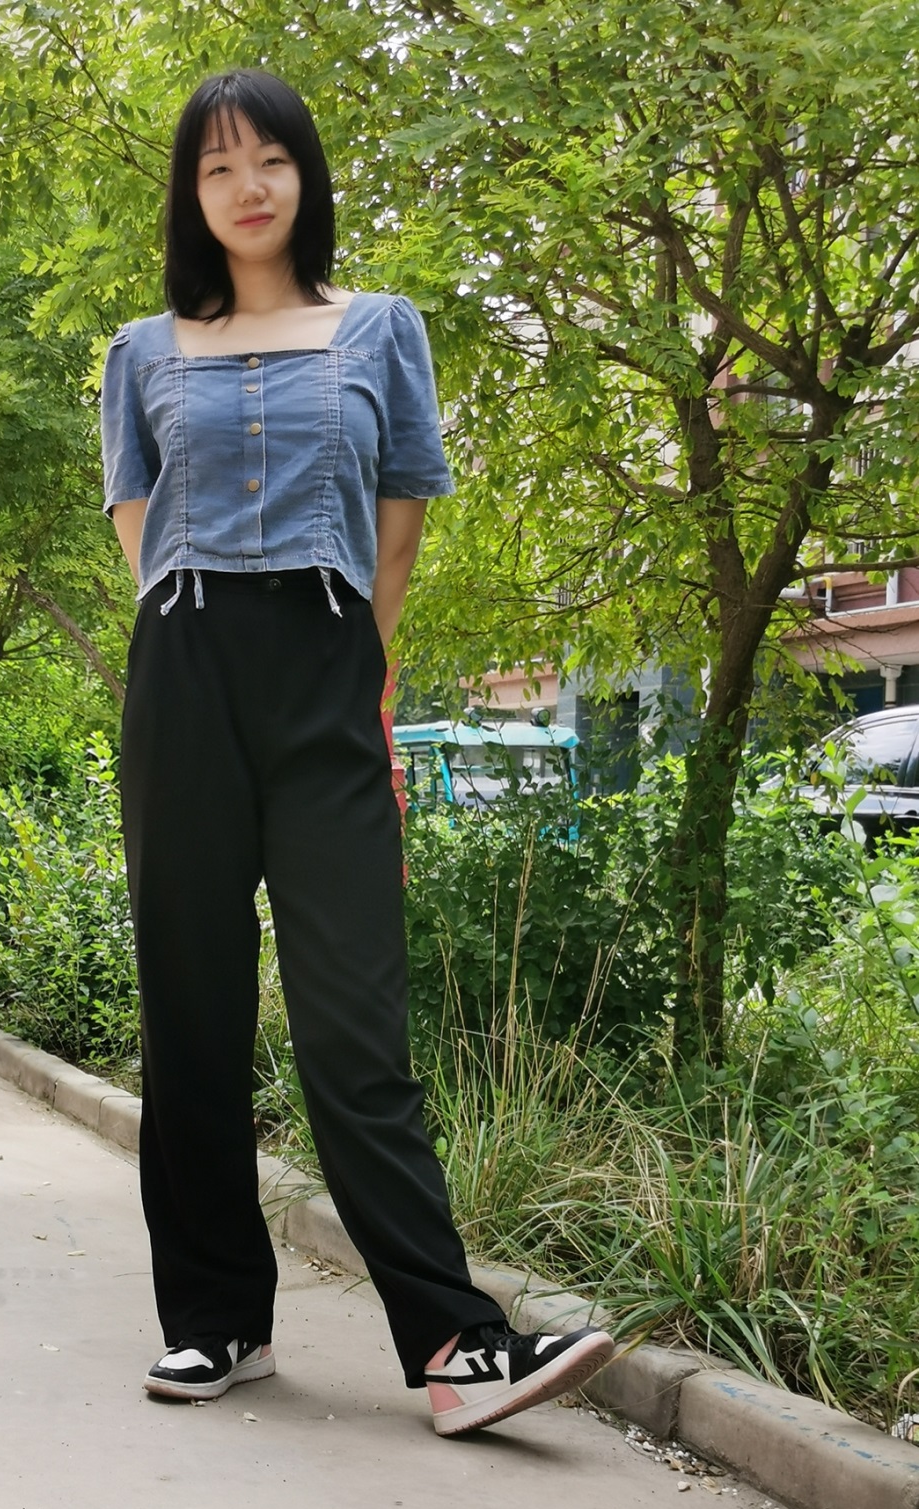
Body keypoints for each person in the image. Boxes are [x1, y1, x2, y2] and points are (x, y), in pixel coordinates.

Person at [101, 68, 614, 1436]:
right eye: (218, 167)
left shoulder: (380, 329)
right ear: (192, 195)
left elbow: (400, 521)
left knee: (352, 1016)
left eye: (269, 159)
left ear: (305, 176)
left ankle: (453, 1344)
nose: (247, 186)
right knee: (192, 1008)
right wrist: (205, 641)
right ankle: (215, 1322)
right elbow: (139, 528)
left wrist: (350, 662)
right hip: (186, 667)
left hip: (328, 668)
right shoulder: (141, 350)